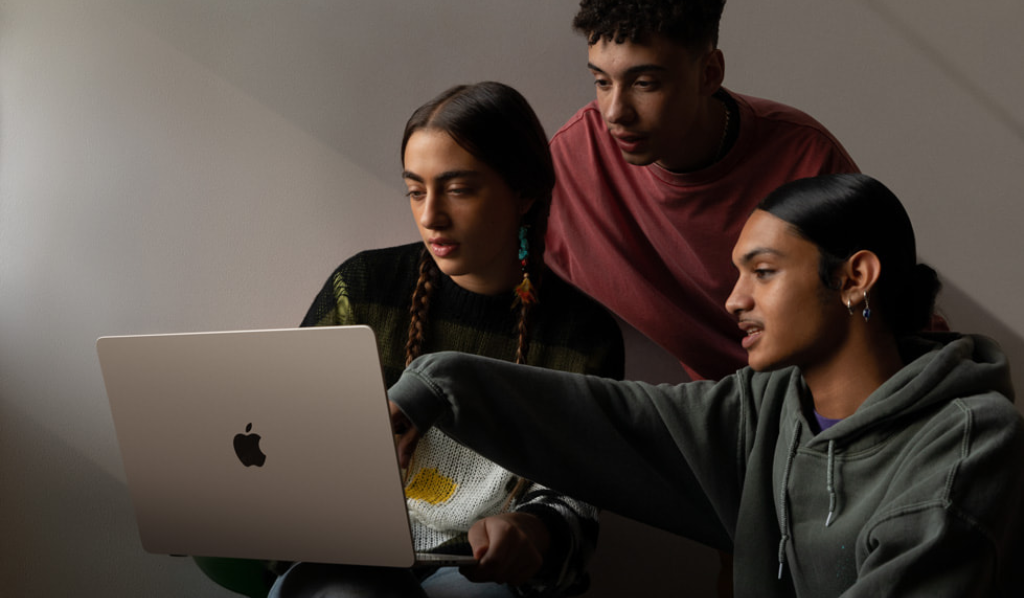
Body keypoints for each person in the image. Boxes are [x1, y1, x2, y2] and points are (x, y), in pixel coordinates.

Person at [389, 174, 1024, 597]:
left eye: (764, 272)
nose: (732, 301)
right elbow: (607, 419)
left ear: (855, 277)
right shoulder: (765, 406)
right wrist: (429, 391)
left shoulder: (968, 443)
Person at [261, 82, 624, 598]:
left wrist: (531, 531)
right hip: (353, 557)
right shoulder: (365, 289)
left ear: (523, 192)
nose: (431, 215)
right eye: (415, 189)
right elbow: (282, 429)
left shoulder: (581, 335)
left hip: (485, 577)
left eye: (458, 189)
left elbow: (578, 498)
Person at [546, 0, 860, 381]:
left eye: (644, 83)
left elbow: (887, 315)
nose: (615, 111)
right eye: (602, 82)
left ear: (709, 73)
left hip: (827, 394)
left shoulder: (804, 158)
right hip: (715, 412)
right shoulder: (577, 158)